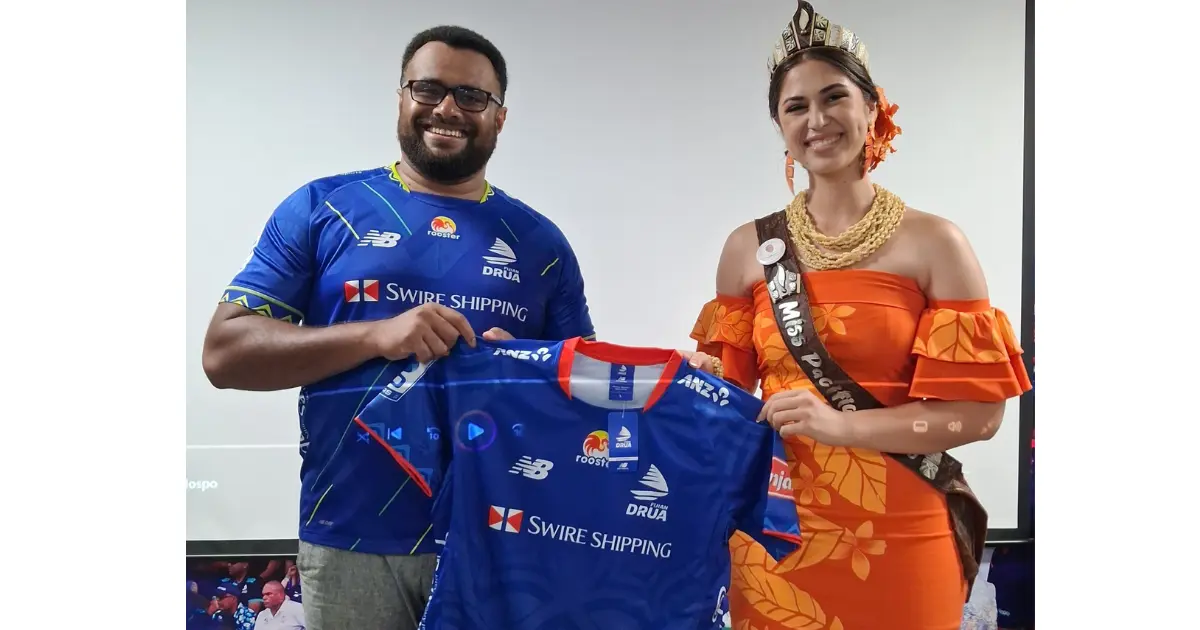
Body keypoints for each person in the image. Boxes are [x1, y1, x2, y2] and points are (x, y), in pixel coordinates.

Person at [201, 24, 595, 630]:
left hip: (498, 540)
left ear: (500, 117)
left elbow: (590, 403)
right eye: (428, 88)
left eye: (472, 96)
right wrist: (375, 335)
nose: (447, 109)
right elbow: (225, 354)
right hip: (349, 540)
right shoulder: (322, 207)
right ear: (401, 97)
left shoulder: (541, 243)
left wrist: (530, 371)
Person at [687, 2, 1032, 629]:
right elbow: (727, 403)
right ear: (779, 125)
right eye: (796, 107)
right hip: (778, 533)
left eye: (834, 98)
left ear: (872, 108)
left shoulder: (935, 243)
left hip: (903, 532)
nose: (816, 120)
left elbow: (979, 416)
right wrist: (690, 378)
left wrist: (841, 428)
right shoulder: (746, 249)